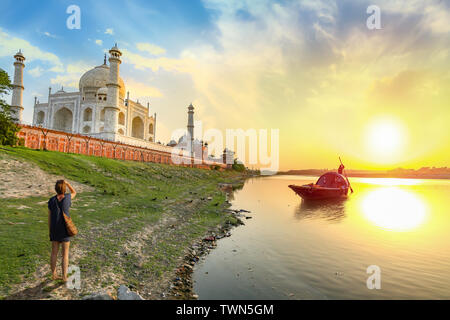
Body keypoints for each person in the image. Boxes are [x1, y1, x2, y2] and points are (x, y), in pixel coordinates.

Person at [48, 180, 77, 281]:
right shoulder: (67, 198)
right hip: (65, 228)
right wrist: (68, 183)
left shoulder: (51, 200)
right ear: (64, 189)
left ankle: (54, 274)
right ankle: (64, 277)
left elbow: (49, 217)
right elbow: (74, 192)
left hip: (54, 228)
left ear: (56, 189)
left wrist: (50, 231)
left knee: (54, 253)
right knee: (65, 254)